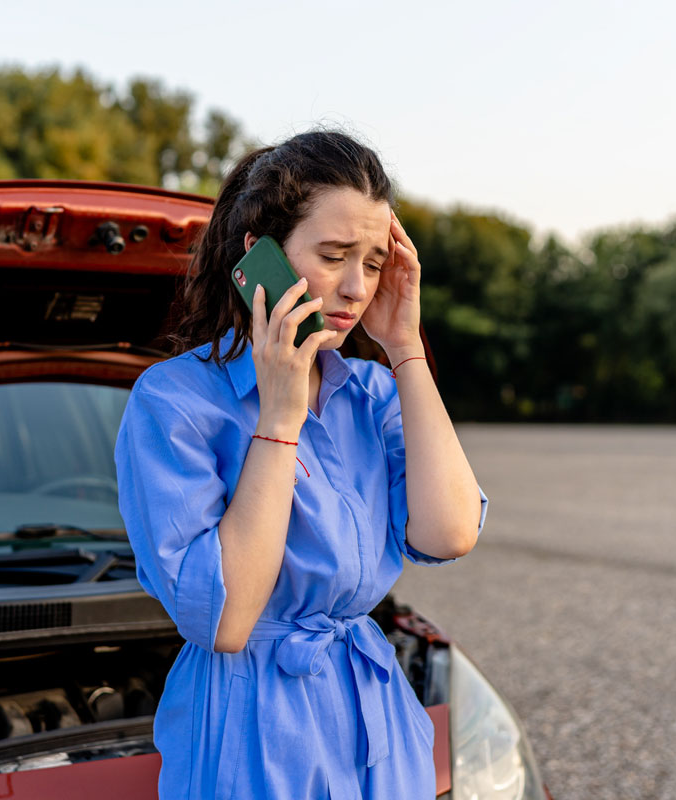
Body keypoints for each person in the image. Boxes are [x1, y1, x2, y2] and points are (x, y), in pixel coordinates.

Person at [114, 130, 486, 799]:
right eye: (334, 255)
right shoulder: (173, 402)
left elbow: (450, 532)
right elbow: (225, 621)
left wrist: (404, 348)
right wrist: (280, 419)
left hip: (373, 717)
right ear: (261, 258)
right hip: (249, 728)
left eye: (373, 263)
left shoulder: (372, 397)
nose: (355, 287)